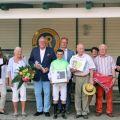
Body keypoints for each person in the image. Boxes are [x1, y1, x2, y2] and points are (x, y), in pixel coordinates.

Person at [29, 36, 56, 117]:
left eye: (43, 41)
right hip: (37, 75)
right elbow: (30, 60)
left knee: (47, 93)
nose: (42, 43)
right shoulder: (34, 50)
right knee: (37, 93)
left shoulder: (50, 50)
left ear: (46, 42)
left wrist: (48, 68)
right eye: (40, 42)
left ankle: (46, 110)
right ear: (38, 42)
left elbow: (54, 61)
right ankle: (39, 110)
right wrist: (34, 65)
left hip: (46, 75)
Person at [70, 43, 95, 119]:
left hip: (86, 77)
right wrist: (74, 69)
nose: (81, 50)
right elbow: (70, 69)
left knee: (85, 95)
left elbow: (91, 68)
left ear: (84, 49)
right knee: (77, 95)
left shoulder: (88, 57)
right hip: (77, 77)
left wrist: (91, 78)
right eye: (79, 48)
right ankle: (78, 111)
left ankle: (84, 111)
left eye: (82, 48)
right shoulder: (73, 57)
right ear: (77, 49)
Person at [94, 44, 116, 117]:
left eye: (104, 49)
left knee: (109, 97)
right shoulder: (96, 59)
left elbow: (113, 68)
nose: (102, 50)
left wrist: (114, 77)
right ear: (99, 50)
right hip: (100, 81)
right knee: (99, 96)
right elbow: (94, 70)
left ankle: (109, 111)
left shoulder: (110, 58)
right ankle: (99, 110)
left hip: (109, 79)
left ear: (106, 50)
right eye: (101, 49)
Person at [48, 49, 71, 119]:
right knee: (55, 98)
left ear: (63, 55)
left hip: (63, 83)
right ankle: (55, 113)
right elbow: (50, 73)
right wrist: (51, 79)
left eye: (61, 54)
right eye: (58, 54)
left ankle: (63, 113)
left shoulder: (66, 63)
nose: (59, 55)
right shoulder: (53, 63)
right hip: (55, 83)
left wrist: (68, 78)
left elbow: (69, 72)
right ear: (56, 54)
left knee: (63, 98)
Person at [8, 47, 27, 117]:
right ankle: (15, 112)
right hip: (14, 80)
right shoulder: (11, 60)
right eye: (18, 51)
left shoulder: (24, 59)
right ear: (14, 52)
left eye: (20, 51)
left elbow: (27, 68)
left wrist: (26, 78)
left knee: (23, 95)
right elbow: (9, 71)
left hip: (23, 80)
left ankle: (23, 112)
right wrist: (10, 80)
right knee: (15, 96)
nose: (20, 53)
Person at [59, 37, 75, 113]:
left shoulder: (71, 52)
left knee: (67, 93)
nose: (64, 43)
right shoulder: (56, 52)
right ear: (60, 43)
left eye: (65, 42)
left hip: (68, 75)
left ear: (67, 43)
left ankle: (67, 109)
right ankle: (59, 108)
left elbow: (74, 63)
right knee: (59, 92)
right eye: (63, 42)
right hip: (58, 76)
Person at [0, 49, 8, 114]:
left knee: (4, 94)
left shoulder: (4, 60)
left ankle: (1, 108)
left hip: (2, 80)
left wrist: (7, 79)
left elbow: (6, 71)